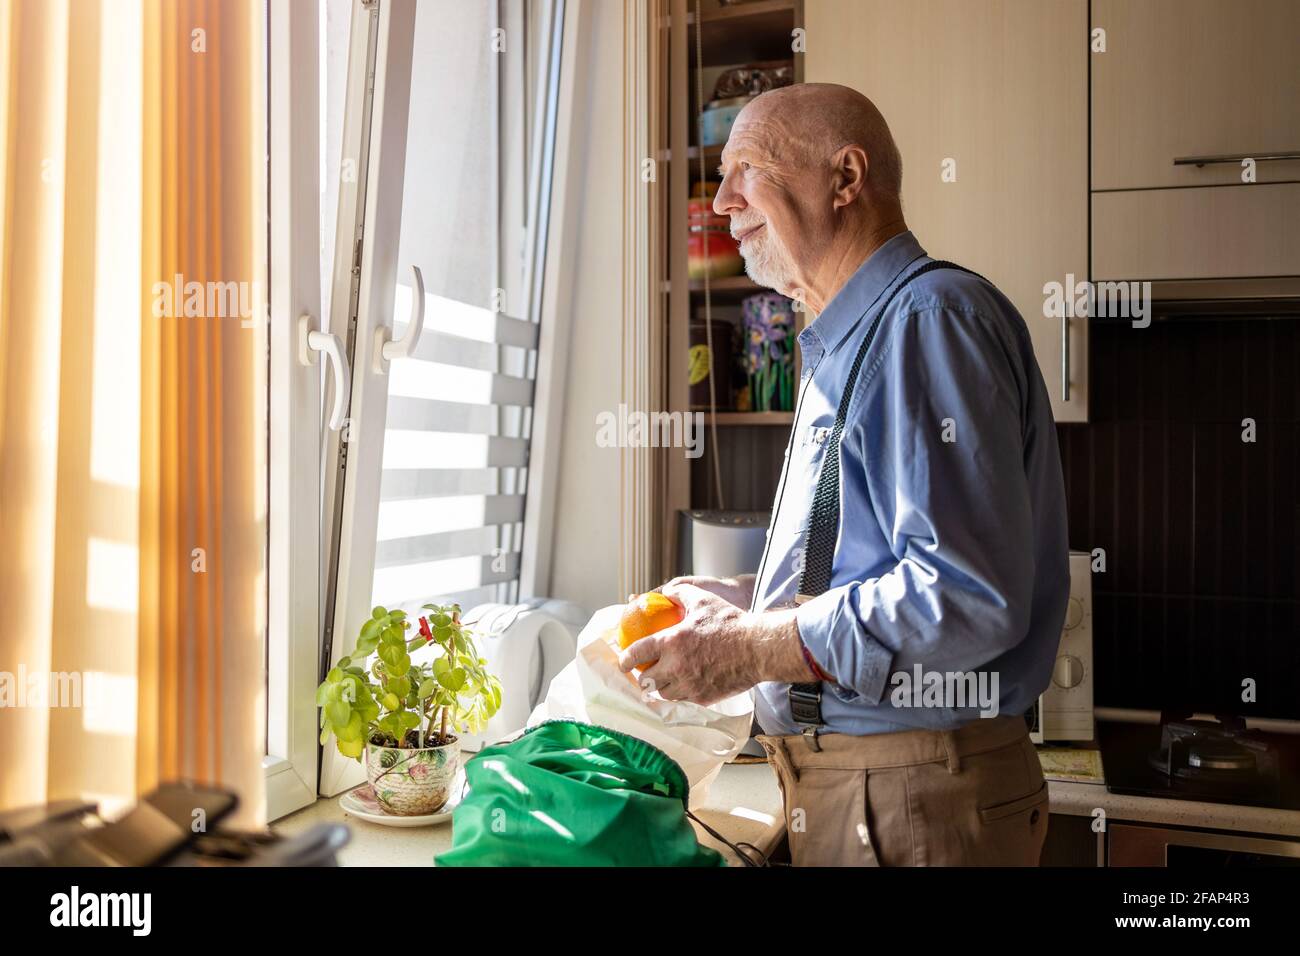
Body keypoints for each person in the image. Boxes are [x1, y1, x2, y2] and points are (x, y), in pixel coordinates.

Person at [617, 83, 1070, 866]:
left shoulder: (927, 320)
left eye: (745, 170)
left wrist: (753, 646)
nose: (722, 202)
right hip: (865, 791)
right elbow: (882, 565)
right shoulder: (853, 341)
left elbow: (964, 595)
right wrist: (743, 603)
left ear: (846, 179)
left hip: (915, 793)